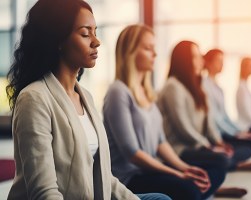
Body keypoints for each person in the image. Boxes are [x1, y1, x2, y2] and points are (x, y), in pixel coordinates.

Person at [6, 1, 170, 199]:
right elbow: (44, 192)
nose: (96, 41)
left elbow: (105, 179)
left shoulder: (85, 97)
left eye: (95, 32)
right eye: (85, 34)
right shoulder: (34, 98)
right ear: (58, 40)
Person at [103, 25, 225, 200]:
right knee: (189, 190)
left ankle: (204, 191)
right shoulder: (118, 92)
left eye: (154, 48)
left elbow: (161, 142)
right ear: (129, 52)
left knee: (211, 170)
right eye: (147, 48)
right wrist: (176, 174)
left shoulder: (148, 92)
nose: (155, 54)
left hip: (148, 170)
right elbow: (132, 152)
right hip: (129, 179)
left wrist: (184, 168)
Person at [202, 49, 251, 161]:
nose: (222, 64)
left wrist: (240, 131)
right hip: (218, 133)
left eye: (223, 60)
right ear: (209, 62)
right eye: (219, 60)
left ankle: (233, 161)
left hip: (226, 130)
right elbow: (215, 119)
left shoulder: (218, 87)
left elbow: (226, 116)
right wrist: (236, 134)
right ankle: (234, 163)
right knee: (250, 146)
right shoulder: (205, 86)